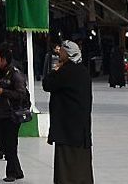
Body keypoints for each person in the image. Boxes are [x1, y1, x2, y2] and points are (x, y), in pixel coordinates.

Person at [42, 41, 94, 184]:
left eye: (63, 51)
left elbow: (47, 84)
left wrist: (55, 70)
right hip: (80, 127)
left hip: (67, 128)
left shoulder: (66, 71)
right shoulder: (82, 70)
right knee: (81, 162)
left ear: (69, 54)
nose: (60, 53)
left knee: (65, 164)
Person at [0, 45, 29, 183]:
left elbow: (21, 94)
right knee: (5, 145)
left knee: (10, 145)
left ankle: (11, 173)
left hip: (11, 115)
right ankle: (18, 171)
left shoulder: (15, 74)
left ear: (4, 59)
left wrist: (3, 92)